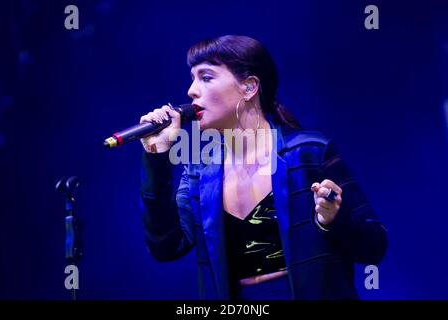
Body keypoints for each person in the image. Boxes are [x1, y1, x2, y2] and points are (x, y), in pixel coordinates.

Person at [139, 35, 388, 300]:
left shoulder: (309, 152)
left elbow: (374, 246)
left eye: (206, 77)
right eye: (192, 78)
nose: (191, 90)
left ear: (249, 87)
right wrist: (156, 156)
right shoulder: (200, 172)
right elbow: (164, 247)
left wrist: (333, 220)